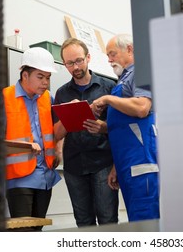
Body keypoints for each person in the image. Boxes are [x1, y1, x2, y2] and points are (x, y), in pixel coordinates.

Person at [0, 47, 62, 231]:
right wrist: (26, 146)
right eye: (40, 76)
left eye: (48, 77)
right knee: (23, 233)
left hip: (45, 178)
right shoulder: (5, 98)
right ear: (25, 75)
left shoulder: (48, 98)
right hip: (18, 178)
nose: (45, 82)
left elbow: (55, 132)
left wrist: (59, 148)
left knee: (37, 231)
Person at [90, 34, 160, 222]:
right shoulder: (123, 80)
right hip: (127, 164)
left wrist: (107, 99)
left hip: (141, 163)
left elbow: (142, 108)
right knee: (136, 220)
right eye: (108, 55)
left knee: (147, 222)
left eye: (112, 54)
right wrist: (116, 166)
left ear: (130, 49)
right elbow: (124, 126)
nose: (109, 60)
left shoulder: (140, 72)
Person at [53, 38, 119, 227]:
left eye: (79, 60)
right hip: (74, 166)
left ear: (88, 57)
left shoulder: (109, 87)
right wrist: (68, 115)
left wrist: (103, 126)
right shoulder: (61, 93)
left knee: (108, 221)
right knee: (83, 223)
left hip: (103, 163)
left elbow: (120, 128)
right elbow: (56, 135)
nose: (75, 67)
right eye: (70, 63)